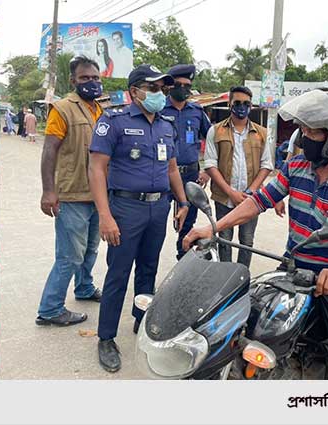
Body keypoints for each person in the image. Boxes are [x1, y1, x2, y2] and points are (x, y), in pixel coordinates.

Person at [184, 90, 328, 379]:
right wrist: (211, 228)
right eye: (303, 129)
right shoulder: (295, 166)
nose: (303, 137)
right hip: (292, 267)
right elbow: (257, 202)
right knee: (250, 325)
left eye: (313, 131)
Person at [89, 64, 189, 372]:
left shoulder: (166, 125)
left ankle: (141, 319)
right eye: (154, 88)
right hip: (126, 208)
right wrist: (105, 216)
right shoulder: (113, 121)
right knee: (118, 273)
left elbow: (172, 168)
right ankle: (106, 337)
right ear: (135, 92)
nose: (161, 94)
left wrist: (183, 201)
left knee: (148, 269)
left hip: (158, 208)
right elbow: (96, 169)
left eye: (163, 88)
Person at [36, 56, 104, 327]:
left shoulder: (101, 111)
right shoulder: (62, 109)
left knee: (91, 248)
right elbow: (49, 150)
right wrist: (48, 191)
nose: (91, 82)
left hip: (97, 194)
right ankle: (50, 308)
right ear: (73, 80)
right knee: (69, 256)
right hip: (72, 194)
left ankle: (84, 287)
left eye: (95, 77)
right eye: (85, 78)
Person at [204, 86, 273, 267]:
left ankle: (243, 277)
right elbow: (210, 164)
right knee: (224, 240)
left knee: (247, 241)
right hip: (223, 197)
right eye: (237, 103)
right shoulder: (216, 131)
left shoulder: (261, 133)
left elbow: (266, 165)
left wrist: (250, 192)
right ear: (230, 104)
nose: (242, 107)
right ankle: (225, 277)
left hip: (251, 199)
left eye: (246, 103)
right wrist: (230, 192)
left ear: (251, 106)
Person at [161, 64, 212, 260]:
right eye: (178, 84)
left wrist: (207, 170)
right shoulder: (159, 109)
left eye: (187, 85)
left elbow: (212, 139)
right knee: (157, 220)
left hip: (191, 174)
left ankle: (183, 258)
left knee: (188, 222)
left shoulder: (197, 111)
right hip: (164, 175)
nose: (183, 88)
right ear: (170, 86)